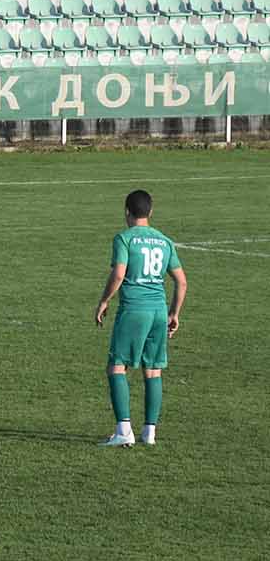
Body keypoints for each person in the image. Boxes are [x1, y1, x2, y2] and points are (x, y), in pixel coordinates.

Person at [93, 189, 186, 447]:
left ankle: (124, 430)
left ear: (126, 211)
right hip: (159, 312)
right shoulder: (165, 241)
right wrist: (174, 313)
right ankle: (149, 433)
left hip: (134, 310)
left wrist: (104, 301)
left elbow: (119, 274)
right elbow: (181, 281)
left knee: (117, 366)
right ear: (151, 212)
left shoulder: (124, 239)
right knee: (153, 370)